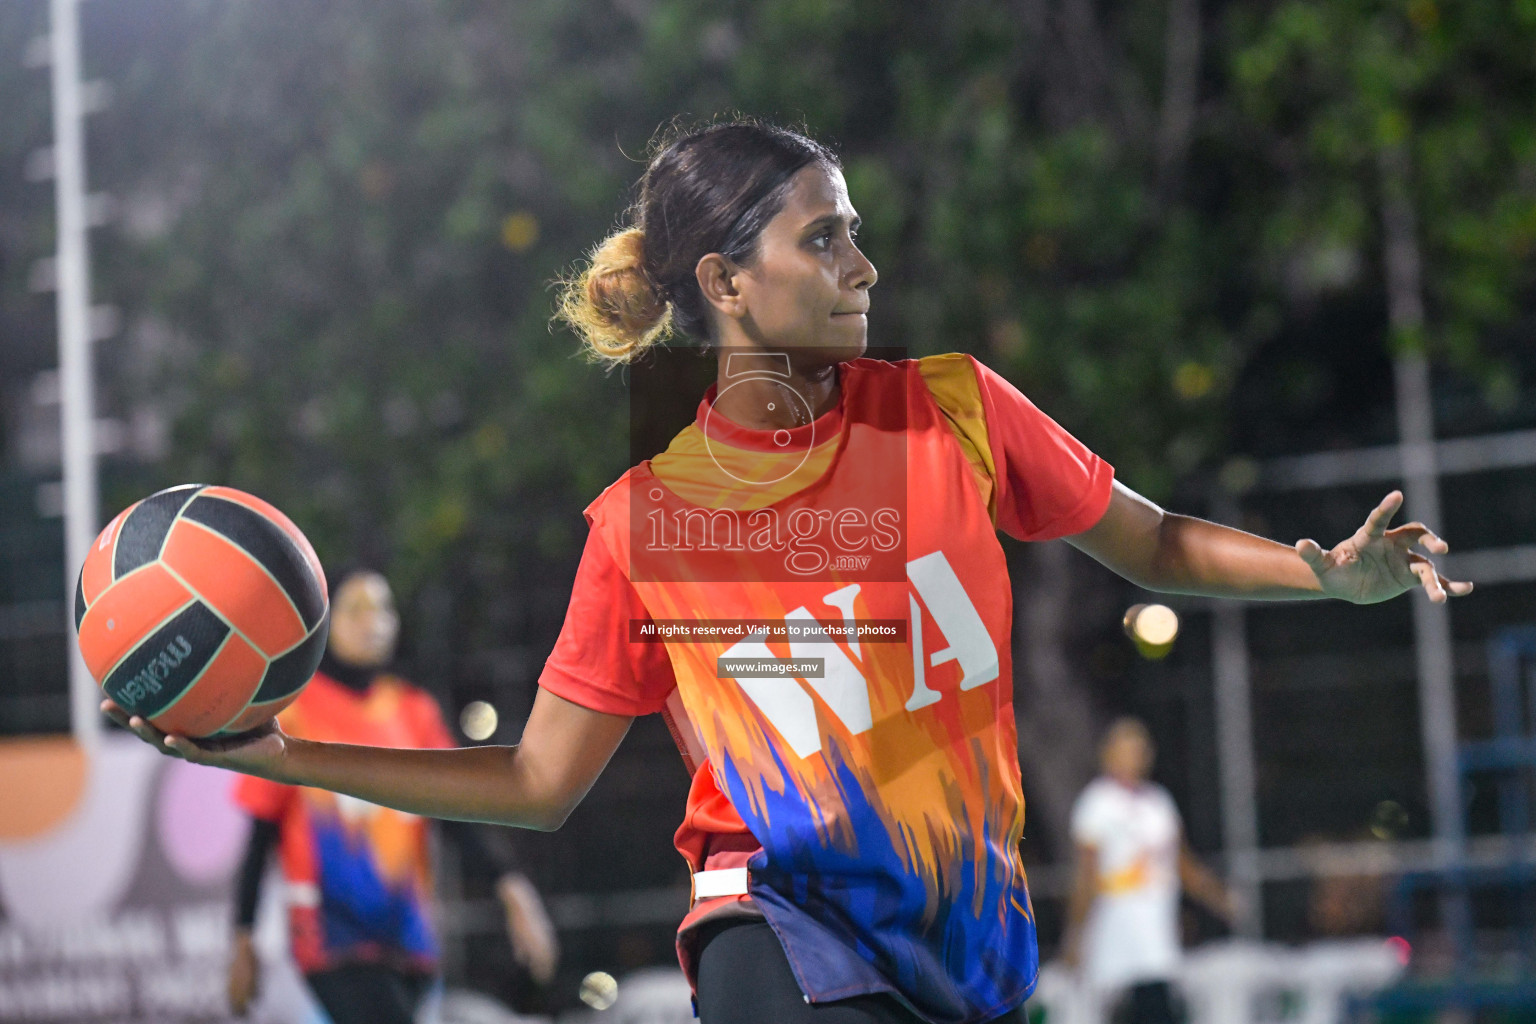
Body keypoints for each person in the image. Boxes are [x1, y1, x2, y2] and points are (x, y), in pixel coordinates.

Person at [104, 118, 1472, 1024]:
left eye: (854, 229)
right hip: (772, 926)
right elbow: (534, 783)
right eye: (822, 237)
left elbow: (1153, 540)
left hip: (967, 948)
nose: (861, 263)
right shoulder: (643, 523)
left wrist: (1322, 574)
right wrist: (273, 756)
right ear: (726, 282)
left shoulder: (956, 411)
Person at [225, 568, 559, 1023]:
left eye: (383, 607)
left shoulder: (414, 711)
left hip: (411, 939)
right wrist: (241, 939)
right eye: (356, 608)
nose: (372, 620)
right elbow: (259, 837)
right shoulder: (293, 714)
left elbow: (456, 813)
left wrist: (513, 889)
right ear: (324, 622)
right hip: (331, 941)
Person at [1062, 719, 1231, 1024]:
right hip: (1113, 940)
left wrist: (1219, 897)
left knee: (1159, 1007)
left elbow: (1182, 864)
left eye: (1139, 750)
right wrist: (1076, 935)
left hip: (1156, 939)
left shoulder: (1160, 803)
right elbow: (1086, 875)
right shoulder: (1096, 803)